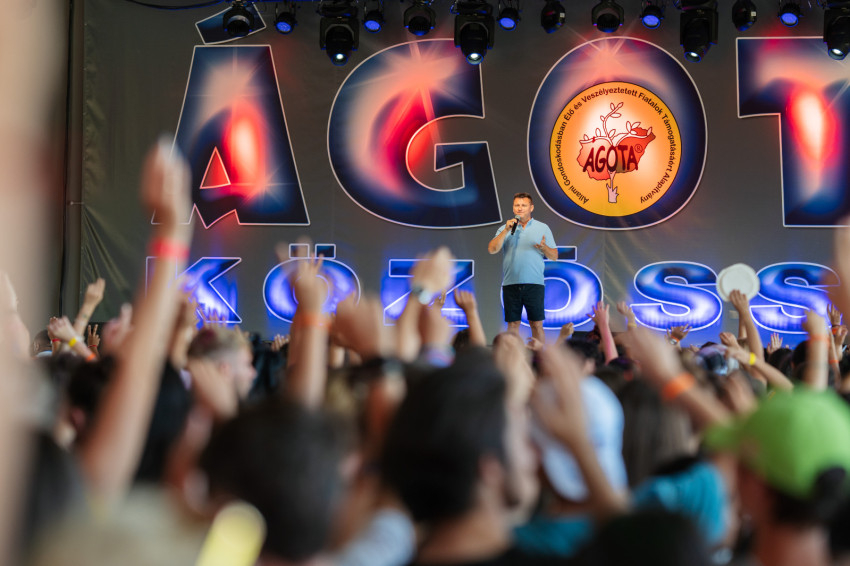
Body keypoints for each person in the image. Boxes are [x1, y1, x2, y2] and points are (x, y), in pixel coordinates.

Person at [488, 192, 557, 343]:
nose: (520, 208)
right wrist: (506, 231)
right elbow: (492, 249)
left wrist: (544, 248)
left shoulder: (543, 227)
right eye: (517, 205)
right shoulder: (506, 228)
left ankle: (539, 355)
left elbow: (554, 256)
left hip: (534, 284)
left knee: (536, 324)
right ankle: (512, 355)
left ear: (531, 208)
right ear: (513, 208)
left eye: (524, 205)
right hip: (511, 284)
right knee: (513, 324)